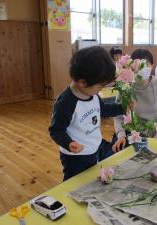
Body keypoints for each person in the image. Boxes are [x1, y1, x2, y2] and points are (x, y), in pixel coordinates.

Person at [49, 46, 125, 181]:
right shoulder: (66, 102)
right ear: (83, 82)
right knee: (74, 183)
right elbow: (56, 130)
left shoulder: (93, 95)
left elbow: (104, 110)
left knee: (90, 179)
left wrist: (123, 108)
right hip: (75, 156)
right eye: (100, 86)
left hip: (93, 148)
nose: (101, 89)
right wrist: (68, 143)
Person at [112, 49, 157, 152]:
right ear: (131, 66)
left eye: (146, 64)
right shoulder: (125, 85)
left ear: (152, 66)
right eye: (138, 65)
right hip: (128, 135)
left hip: (152, 137)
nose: (142, 68)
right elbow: (118, 116)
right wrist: (121, 135)